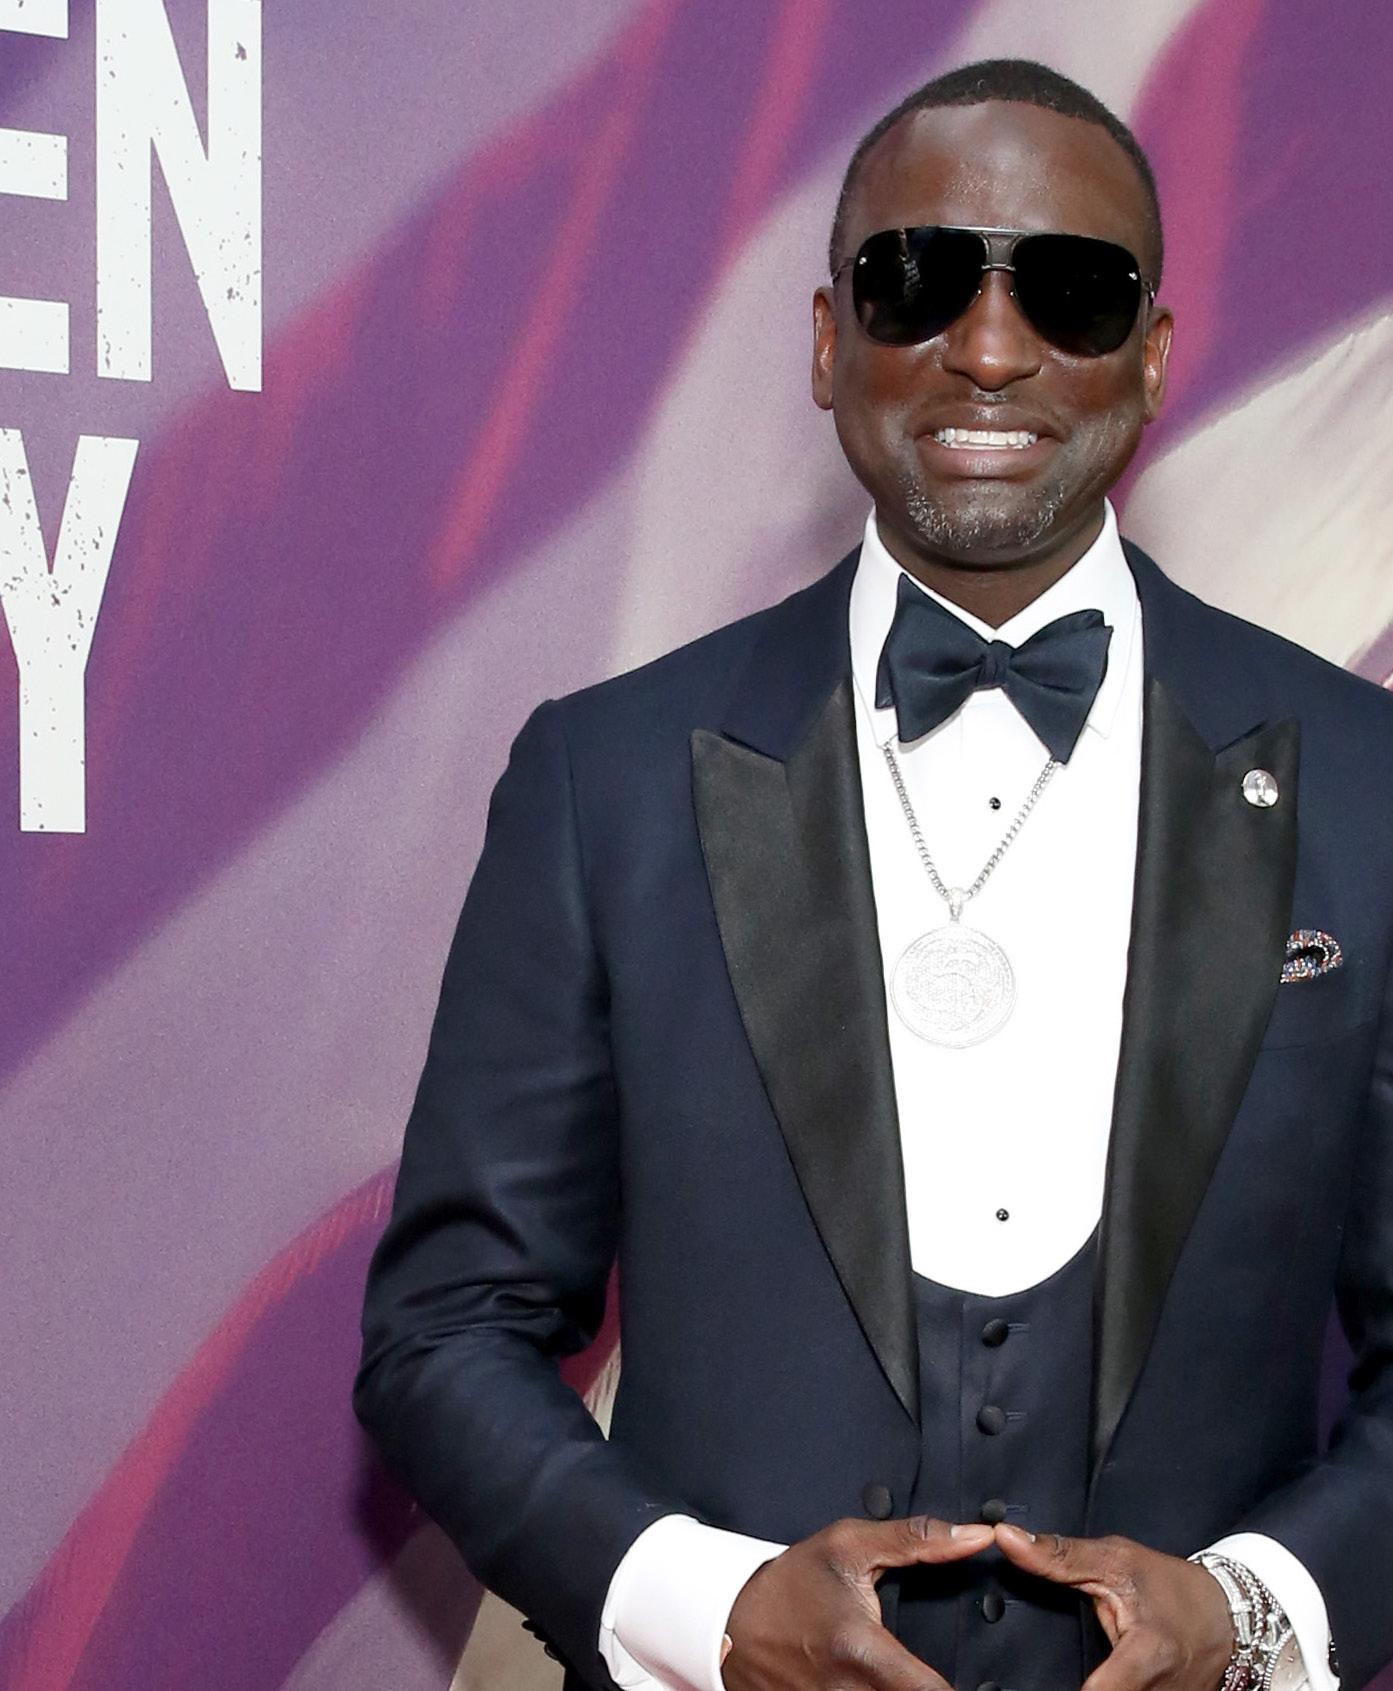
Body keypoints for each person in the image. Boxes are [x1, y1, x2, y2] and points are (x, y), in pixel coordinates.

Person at [354, 58, 1393, 1691]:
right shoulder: (602, 780)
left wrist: (1255, 1615)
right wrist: (706, 1612)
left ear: (1148, 356)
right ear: (829, 341)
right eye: (917, 281)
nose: (988, 350)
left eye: (1068, 291)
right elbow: (446, 1330)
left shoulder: (1364, 783)